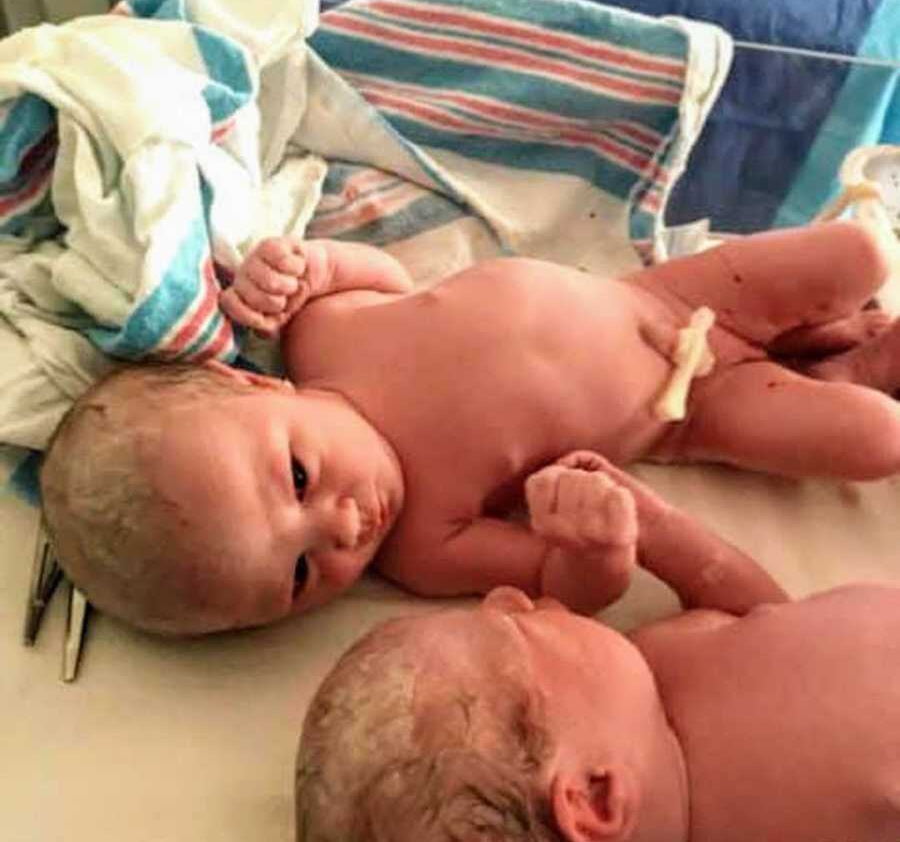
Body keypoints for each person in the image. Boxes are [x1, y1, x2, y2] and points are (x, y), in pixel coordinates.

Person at [40, 218, 900, 635]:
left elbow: (381, 272)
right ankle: (845, 362)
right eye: (302, 574)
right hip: (687, 413)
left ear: (246, 383)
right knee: (875, 438)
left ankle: (827, 332)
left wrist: (301, 264)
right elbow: (567, 586)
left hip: (668, 296)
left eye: (298, 479)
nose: (340, 527)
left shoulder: (317, 331)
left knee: (862, 254)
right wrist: (595, 548)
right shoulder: (422, 545)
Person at [295, 458, 900, 842]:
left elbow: (763, 618)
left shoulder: (647, 680)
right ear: (594, 796)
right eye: (518, 627)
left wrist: (658, 528)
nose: (507, 595)